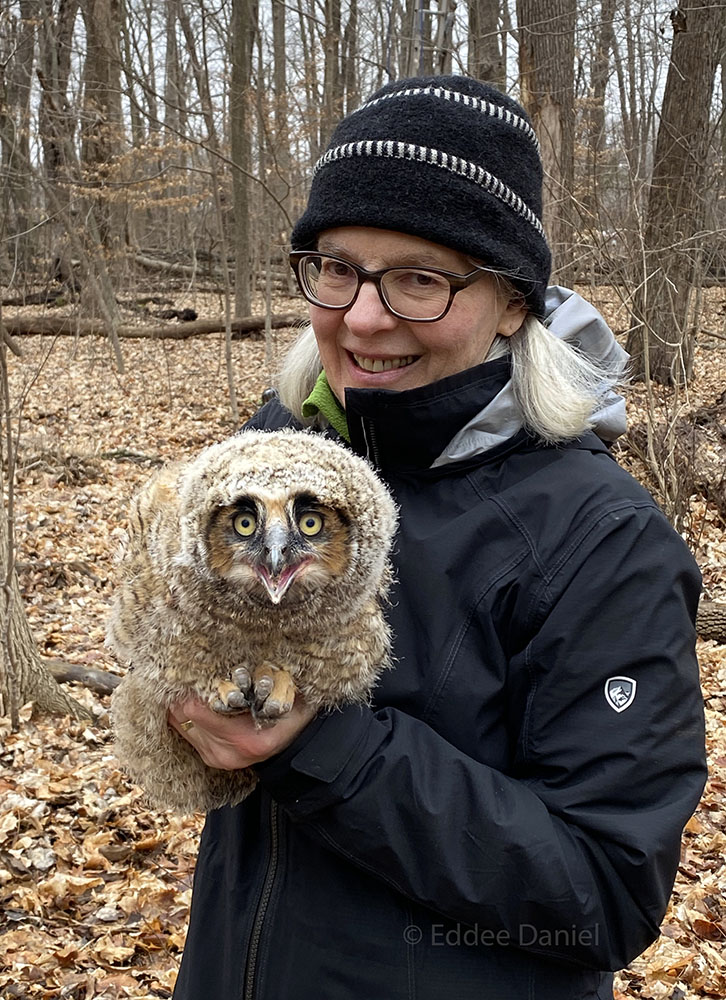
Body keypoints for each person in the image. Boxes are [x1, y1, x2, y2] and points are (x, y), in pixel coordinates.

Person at [169, 76, 706, 1000]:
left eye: (421, 278)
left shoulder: (600, 539)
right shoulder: (276, 460)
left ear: (511, 303)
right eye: (337, 267)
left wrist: (316, 748)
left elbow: (604, 891)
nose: (364, 317)